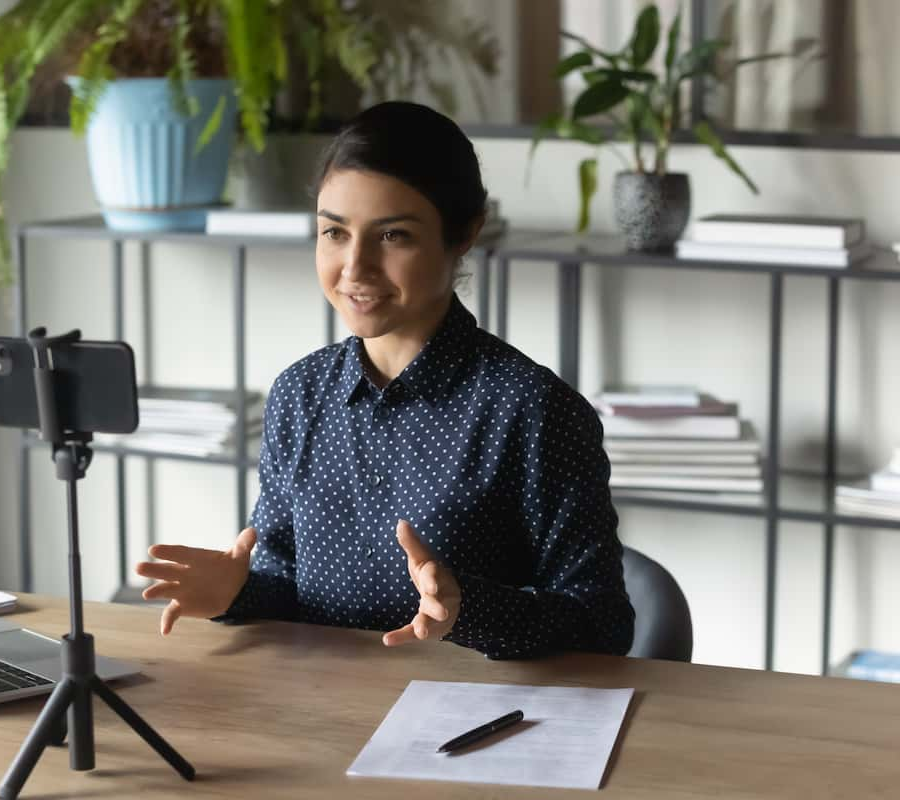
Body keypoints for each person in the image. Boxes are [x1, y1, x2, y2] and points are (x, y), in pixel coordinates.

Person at [134, 101, 634, 659]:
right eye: (334, 233)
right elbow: (284, 589)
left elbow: (602, 625)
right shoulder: (299, 394)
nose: (355, 268)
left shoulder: (532, 408)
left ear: (465, 232)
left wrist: (468, 610)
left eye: (393, 236)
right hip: (323, 708)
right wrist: (235, 592)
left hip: (477, 718)